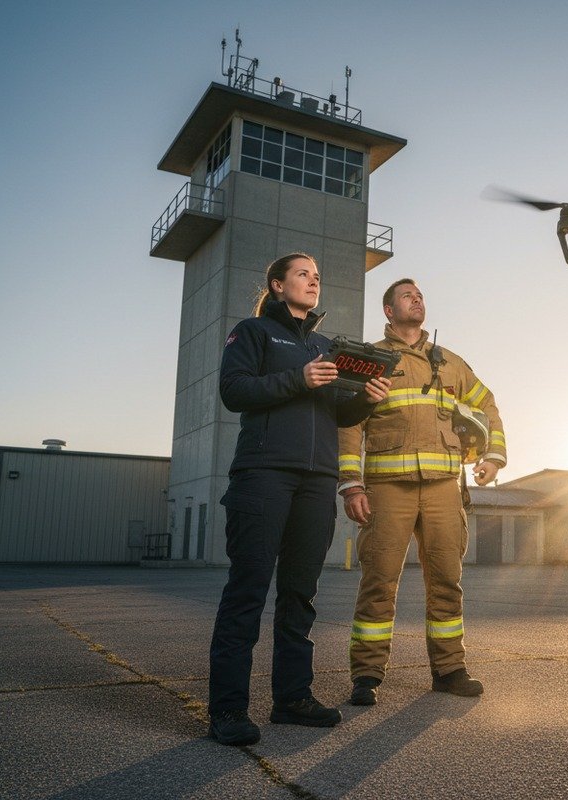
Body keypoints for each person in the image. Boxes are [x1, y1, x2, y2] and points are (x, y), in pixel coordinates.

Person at [208, 252, 390, 746]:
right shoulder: (253, 333)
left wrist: (365, 398)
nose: (313, 282)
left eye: (317, 277)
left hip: (316, 482)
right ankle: (227, 709)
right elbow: (234, 391)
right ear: (277, 284)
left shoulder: (325, 345)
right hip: (263, 475)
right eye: (303, 274)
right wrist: (298, 378)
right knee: (247, 592)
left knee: (299, 595)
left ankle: (292, 699)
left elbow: (339, 413)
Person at [339, 279, 506, 706]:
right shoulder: (371, 359)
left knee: (447, 581)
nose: (417, 299)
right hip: (386, 489)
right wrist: (351, 483)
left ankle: (449, 670)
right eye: (406, 295)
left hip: (443, 489)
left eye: (420, 295)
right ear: (388, 310)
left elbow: (487, 404)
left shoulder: (450, 363)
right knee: (379, 582)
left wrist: (493, 457)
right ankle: (367, 674)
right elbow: (349, 423)